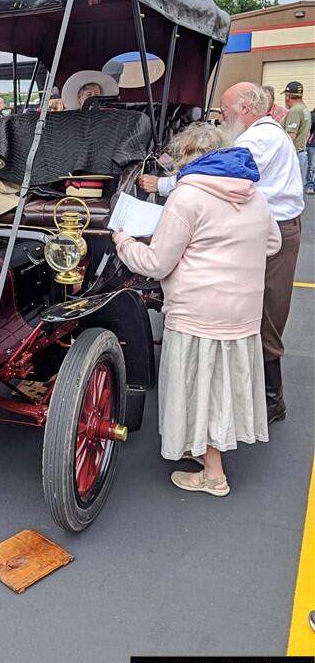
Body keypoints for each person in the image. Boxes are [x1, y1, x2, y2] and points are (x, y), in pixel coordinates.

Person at [113, 123, 281, 496]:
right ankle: (205, 453)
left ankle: (214, 475)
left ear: (187, 156)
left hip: (197, 311)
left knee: (200, 388)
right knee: (221, 387)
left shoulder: (187, 197)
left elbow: (156, 263)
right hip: (242, 310)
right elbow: (273, 242)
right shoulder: (252, 194)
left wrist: (123, 241)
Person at [219, 82, 303, 424]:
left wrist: (168, 183)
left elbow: (229, 169)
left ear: (244, 109)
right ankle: (257, 392)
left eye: (225, 111)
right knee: (256, 307)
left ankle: (272, 401)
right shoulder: (259, 134)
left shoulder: (261, 137)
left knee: (266, 310)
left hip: (277, 233)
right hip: (270, 229)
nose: (222, 118)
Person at [282, 81, 311, 183]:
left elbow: (291, 136)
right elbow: (307, 134)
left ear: (288, 97)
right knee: (298, 191)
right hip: (302, 152)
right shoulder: (305, 109)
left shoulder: (295, 111)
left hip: (294, 155)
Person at [305, 107, 315, 195]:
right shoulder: (312, 115)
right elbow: (309, 129)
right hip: (312, 144)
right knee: (311, 166)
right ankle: (309, 185)